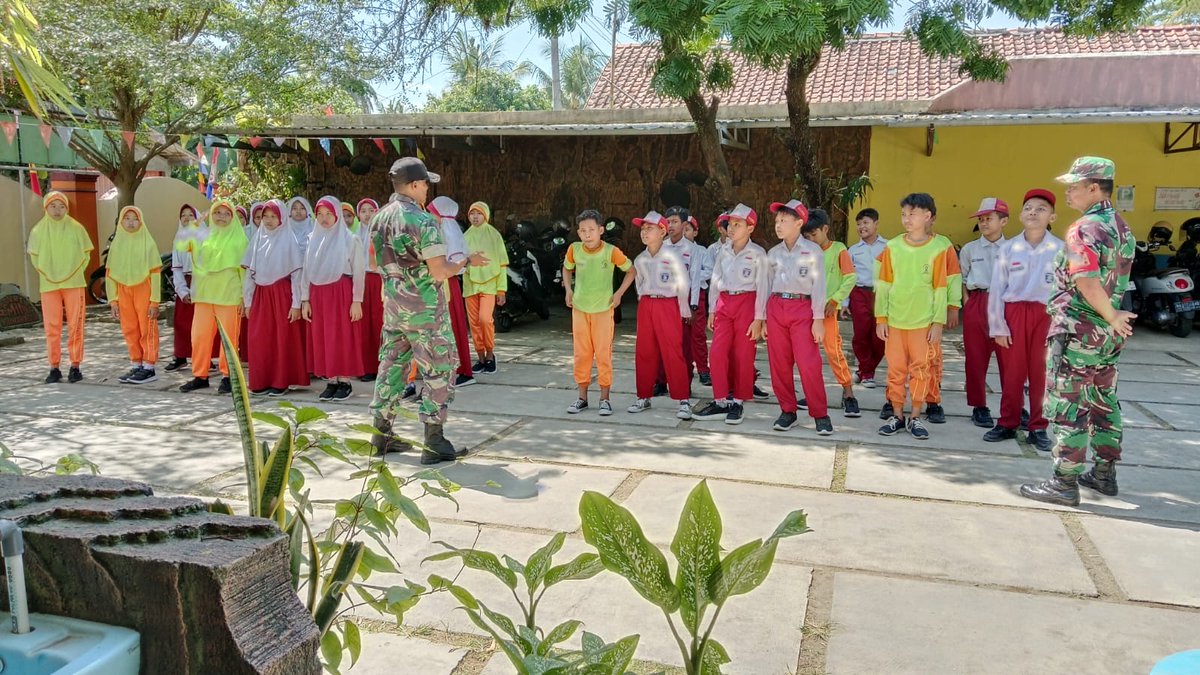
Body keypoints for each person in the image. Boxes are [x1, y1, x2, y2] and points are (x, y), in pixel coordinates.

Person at [1020, 157, 1135, 505]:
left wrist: (1110, 314)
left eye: (1074, 186)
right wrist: (1112, 319)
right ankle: (1104, 473)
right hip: (1107, 336)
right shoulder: (1121, 227)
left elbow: (1085, 280)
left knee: (1068, 404)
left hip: (1079, 331)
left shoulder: (1084, 229)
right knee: (1103, 400)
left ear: (1094, 188)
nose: (1068, 192)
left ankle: (1064, 482)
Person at [369, 157, 489, 464]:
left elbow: (372, 262)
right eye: (424, 184)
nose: (427, 190)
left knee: (391, 368)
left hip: (394, 309)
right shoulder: (424, 221)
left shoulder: (379, 218)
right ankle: (434, 442)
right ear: (413, 185)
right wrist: (465, 261)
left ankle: (381, 435)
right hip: (425, 311)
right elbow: (440, 271)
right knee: (438, 370)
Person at [875, 193, 956, 440]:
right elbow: (883, 284)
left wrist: (938, 321)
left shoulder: (939, 248)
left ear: (927, 216)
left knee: (921, 370)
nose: (906, 219)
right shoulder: (892, 247)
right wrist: (881, 318)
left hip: (923, 323)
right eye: (903, 214)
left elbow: (941, 288)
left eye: (912, 214)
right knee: (895, 370)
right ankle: (897, 415)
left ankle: (916, 416)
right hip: (895, 321)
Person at [985, 189, 1062, 450]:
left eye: (1041, 209)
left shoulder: (1061, 249)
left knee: (1042, 373)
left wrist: (1062, 325)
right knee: (1013, 372)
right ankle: (1008, 421)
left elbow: (1068, 290)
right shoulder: (1008, 248)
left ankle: (1038, 427)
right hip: (1014, 314)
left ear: (1052, 216)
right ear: (1020, 215)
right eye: (1028, 208)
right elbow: (997, 289)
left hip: (1046, 315)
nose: (1033, 213)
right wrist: (998, 326)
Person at [693, 204, 769, 425]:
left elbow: (763, 287)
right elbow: (716, 280)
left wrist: (759, 318)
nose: (732, 228)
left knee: (743, 355)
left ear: (750, 228)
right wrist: (712, 310)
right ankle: (720, 400)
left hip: (747, 302)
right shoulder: (723, 251)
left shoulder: (758, 253)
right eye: (730, 224)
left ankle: (737, 402)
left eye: (738, 224)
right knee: (717, 352)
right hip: (725, 303)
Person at [765, 200, 831, 435]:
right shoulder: (773, 253)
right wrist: (762, 318)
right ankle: (788, 411)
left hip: (802, 308)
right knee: (779, 363)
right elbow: (766, 286)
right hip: (776, 307)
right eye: (777, 221)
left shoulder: (813, 251)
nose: (778, 225)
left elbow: (819, 286)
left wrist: (818, 319)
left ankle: (820, 414)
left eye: (784, 220)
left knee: (808, 363)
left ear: (799, 223)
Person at [563, 209, 634, 415]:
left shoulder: (611, 251)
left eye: (591, 230)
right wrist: (568, 290)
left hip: (603, 310)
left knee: (603, 354)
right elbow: (566, 268)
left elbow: (631, 271)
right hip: (579, 309)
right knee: (581, 354)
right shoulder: (574, 249)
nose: (587, 234)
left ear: (601, 230)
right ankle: (582, 398)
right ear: (578, 232)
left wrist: (619, 294)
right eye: (583, 230)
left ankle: (605, 399)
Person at [179, 199, 249, 394]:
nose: (221, 217)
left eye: (226, 214)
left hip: (229, 295)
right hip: (203, 296)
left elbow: (245, 272)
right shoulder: (203, 237)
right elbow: (183, 242)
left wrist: (245, 297)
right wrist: (197, 221)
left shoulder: (240, 240)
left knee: (229, 339)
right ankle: (200, 376)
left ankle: (229, 376)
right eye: (217, 212)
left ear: (233, 217)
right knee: (199, 336)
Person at [301, 196, 367, 401]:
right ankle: (331, 380)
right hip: (318, 295)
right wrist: (305, 299)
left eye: (329, 213)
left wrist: (357, 300)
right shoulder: (312, 239)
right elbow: (306, 270)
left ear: (337, 214)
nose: (324, 218)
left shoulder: (350, 239)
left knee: (341, 336)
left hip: (341, 293)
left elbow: (359, 271)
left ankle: (344, 381)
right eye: (320, 214)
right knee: (323, 336)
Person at [628, 211, 693, 418]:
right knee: (644, 351)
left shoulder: (672, 256)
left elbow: (683, 282)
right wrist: (644, 302)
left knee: (673, 350)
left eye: (650, 228)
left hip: (668, 304)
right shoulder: (640, 259)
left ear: (662, 231)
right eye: (642, 229)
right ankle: (643, 396)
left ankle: (683, 399)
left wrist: (683, 307)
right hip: (647, 304)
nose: (644, 232)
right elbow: (639, 284)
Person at [242, 199, 308, 396]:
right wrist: (248, 301)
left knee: (281, 339)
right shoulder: (258, 240)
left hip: (281, 296)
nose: (269, 220)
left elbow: (296, 275)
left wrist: (296, 304)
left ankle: (281, 381)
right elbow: (250, 274)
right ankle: (261, 380)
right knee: (260, 338)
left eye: (273, 216)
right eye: (265, 216)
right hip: (261, 296)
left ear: (282, 219)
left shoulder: (289, 240)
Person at [28, 191, 93, 384]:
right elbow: (34, 257)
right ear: (46, 207)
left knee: (76, 325)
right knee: (51, 326)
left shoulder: (77, 228)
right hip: (49, 284)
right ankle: (54, 367)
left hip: (74, 283)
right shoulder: (38, 230)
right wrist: (50, 273)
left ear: (67, 208)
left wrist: (73, 272)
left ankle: (75, 366)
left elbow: (86, 254)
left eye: (61, 206)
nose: (57, 210)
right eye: (53, 206)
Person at [801, 209, 861, 417]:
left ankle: (848, 393)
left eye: (814, 235)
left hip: (827, 312)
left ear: (825, 229)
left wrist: (835, 300)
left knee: (834, 351)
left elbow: (850, 277)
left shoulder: (838, 249)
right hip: (805, 310)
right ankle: (811, 393)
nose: (811, 240)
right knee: (807, 356)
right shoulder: (804, 252)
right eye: (807, 237)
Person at [960, 197, 1009, 428]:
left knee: (1010, 359)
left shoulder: (1013, 249)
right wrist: (968, 304)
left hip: (1006, 304)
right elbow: (962, 279)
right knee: (975, 358)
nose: (984, 223)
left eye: (989, 218)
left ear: (1004, 221)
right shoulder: (970, 249)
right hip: (978, 301)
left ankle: (1013, 406)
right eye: (981, 219)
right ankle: (979, 406)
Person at [106, 206, 162, 385]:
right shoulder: (116, 244)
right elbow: (110, 274)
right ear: (121, 221)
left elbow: (155, 273)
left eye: (135, 218)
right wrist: (113, 300)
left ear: (141, 221)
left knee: (147, 328)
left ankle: (149, 367)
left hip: (144, 289)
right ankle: (136, 363)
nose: (131, 222)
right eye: (127, 218)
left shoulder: (148, 243)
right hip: (123, 291)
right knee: (129, 328)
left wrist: (154, 301)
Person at [428, 196, 477, 387]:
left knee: (452, 327)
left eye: (432, 213)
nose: (429, 216)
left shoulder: (449, 236)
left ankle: (461, 370)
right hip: (439, 284)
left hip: (447, 284)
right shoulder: (439, 232)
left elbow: (455, 265)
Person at [462, 201, 508, 374]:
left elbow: (502, 264)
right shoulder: (465, 236)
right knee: (473, 323)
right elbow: (459, 260)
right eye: (472, 213)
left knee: (485, 319)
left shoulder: (494, 235)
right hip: (470, 284)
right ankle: (480, 357)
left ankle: (490, 354)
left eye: (479, 213)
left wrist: (501, 290)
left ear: (486, 215)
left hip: (489, 284)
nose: (475, 217)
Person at [847, 208, 886, 387]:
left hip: (881, 294)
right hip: (859, 293)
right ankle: (867, 373)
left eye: (866, 223)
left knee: (880, 336)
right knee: (861, 334)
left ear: (876, 223)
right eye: (858, 224)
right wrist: (845, 302)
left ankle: (864, 370)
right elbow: (848, 277)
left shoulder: (888, 247)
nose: (861, 227)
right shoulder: (853, 250)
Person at [166, 204, 207, 372]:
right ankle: (181, 356)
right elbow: (176, 268)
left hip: (203, 284)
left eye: (191, 215)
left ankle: (205, 358)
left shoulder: (206, 237)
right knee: (182, 323)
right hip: (185, 282)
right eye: (183, 215)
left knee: (203, 325)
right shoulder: (178, 239)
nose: (187, 218)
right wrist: (182, 290)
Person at [356, 198, 383, 382]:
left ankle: (383, 365)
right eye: (363, 211)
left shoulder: (383, 232)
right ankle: (367, 367)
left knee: (380, 322)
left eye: (371, 210)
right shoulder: (354, 235)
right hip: (361, 281)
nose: (367, 214)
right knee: (364, 325)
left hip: (380, 280)